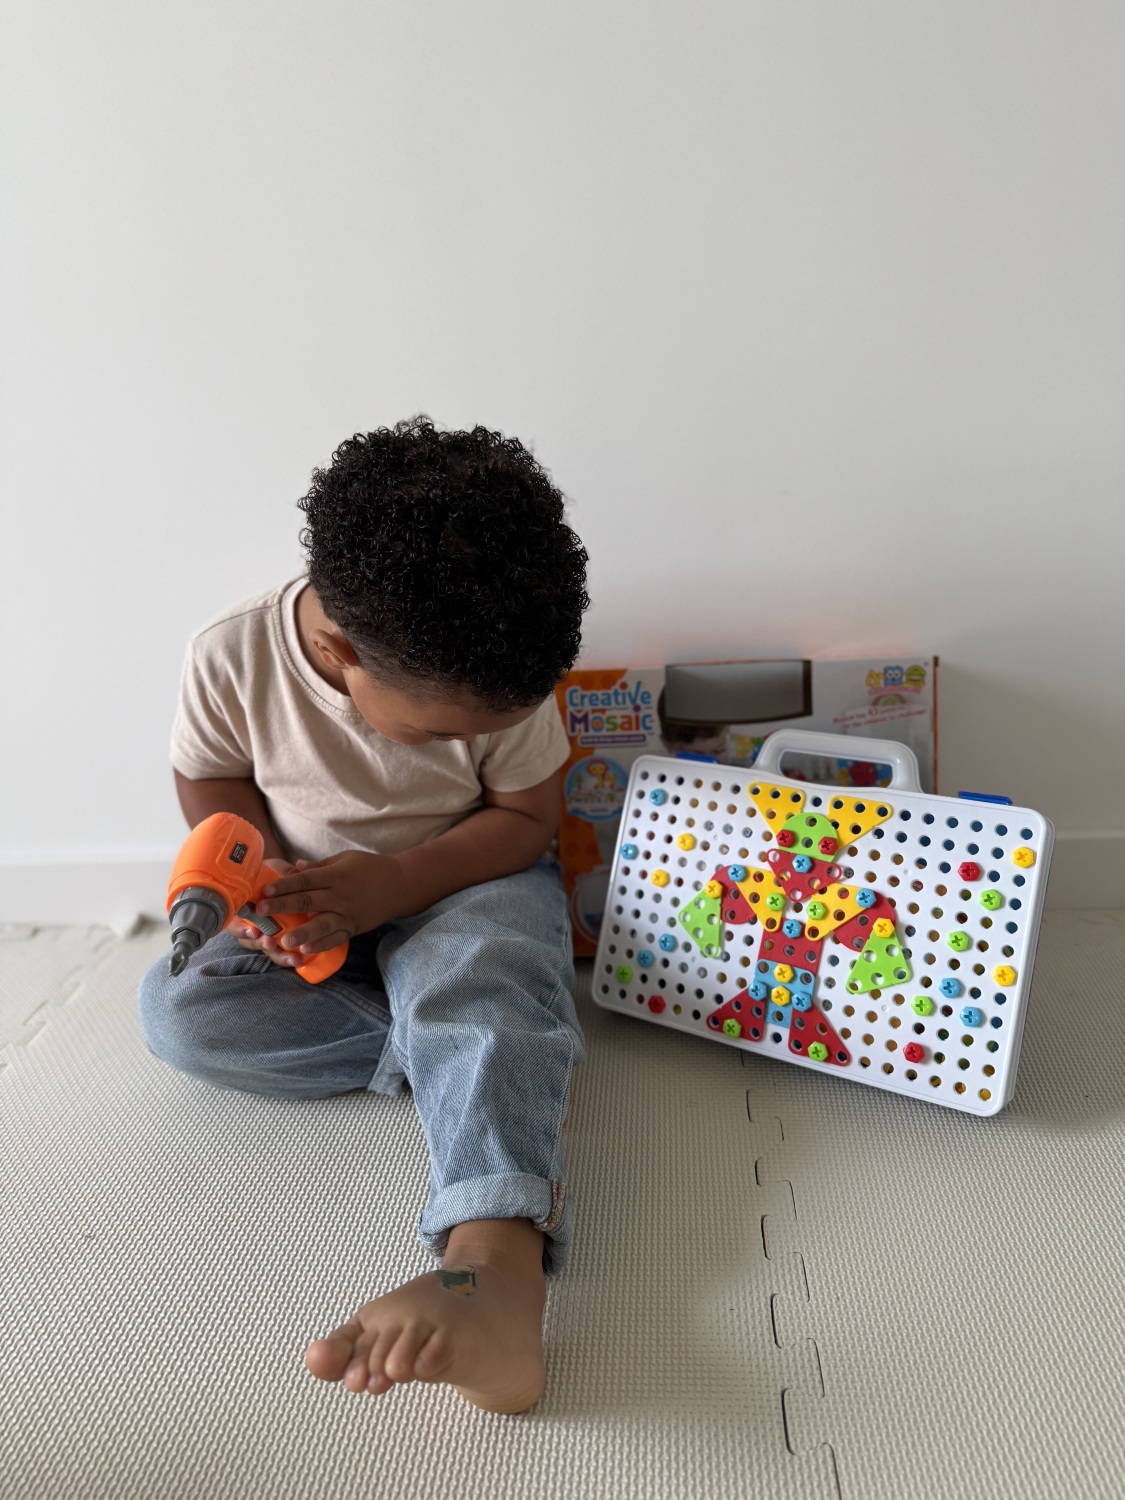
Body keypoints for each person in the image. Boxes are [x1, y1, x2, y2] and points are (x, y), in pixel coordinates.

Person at [137, 417, 590, 1415]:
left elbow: (524, 820)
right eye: (436, 734)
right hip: (312, 907)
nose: (466, 740)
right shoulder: (230, 654)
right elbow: (212, 777)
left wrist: (395, 884)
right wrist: (260, 882)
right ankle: (493, 1045)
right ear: (338, 651)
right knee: (179, 1012)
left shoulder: (505, 675)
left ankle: (491, 1272)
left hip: (467, 879)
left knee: (477, 958)